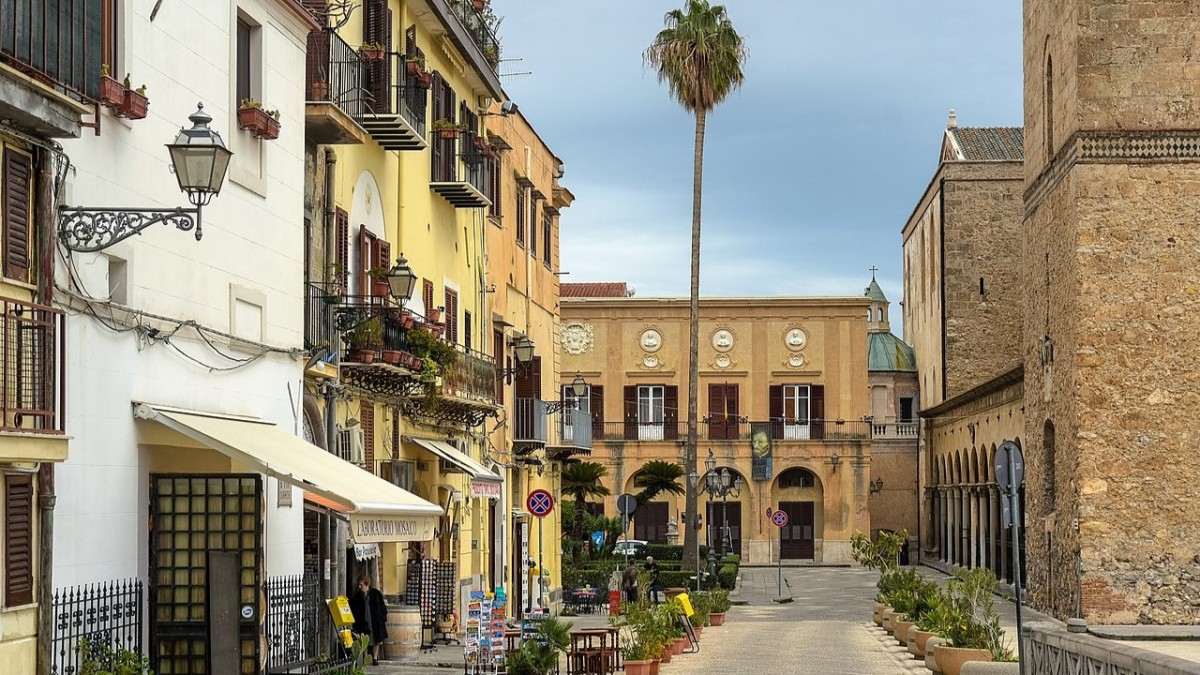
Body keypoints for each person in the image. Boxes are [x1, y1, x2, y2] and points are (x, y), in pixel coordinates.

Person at [349, 575, 388, 663]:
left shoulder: (376, 593)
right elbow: (354, 608)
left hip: (375, 620)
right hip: (362, 621)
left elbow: (382, 607)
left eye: (361, 585)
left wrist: (383, 618)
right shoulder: (357, 596)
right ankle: (364, 658)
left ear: (366, 584)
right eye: (359, 585)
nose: (359, 587)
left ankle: (375, 658)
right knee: (364, 639)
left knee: (376, 639)